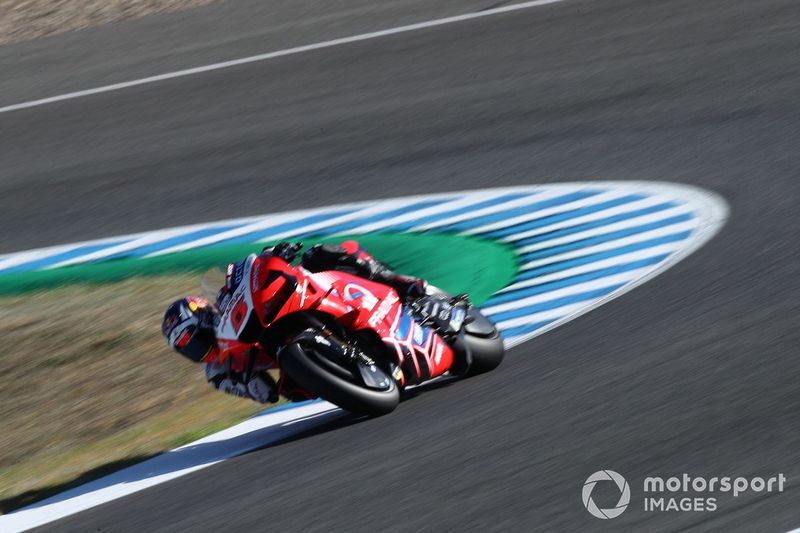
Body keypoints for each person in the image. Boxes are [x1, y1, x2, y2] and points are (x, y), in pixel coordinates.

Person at [161, 241, 426, 404]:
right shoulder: (218, 371)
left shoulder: (227, 304)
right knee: (295, 392)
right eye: (191, 350)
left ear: (206, 317)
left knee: (319, 255)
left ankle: (398, 282)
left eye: (197, 340)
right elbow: (265, 394)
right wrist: (250, 384)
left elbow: (244, 277)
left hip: (296, 309)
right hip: (295, 362)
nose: (201, 351)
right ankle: (354, 370)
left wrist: (272, 255)